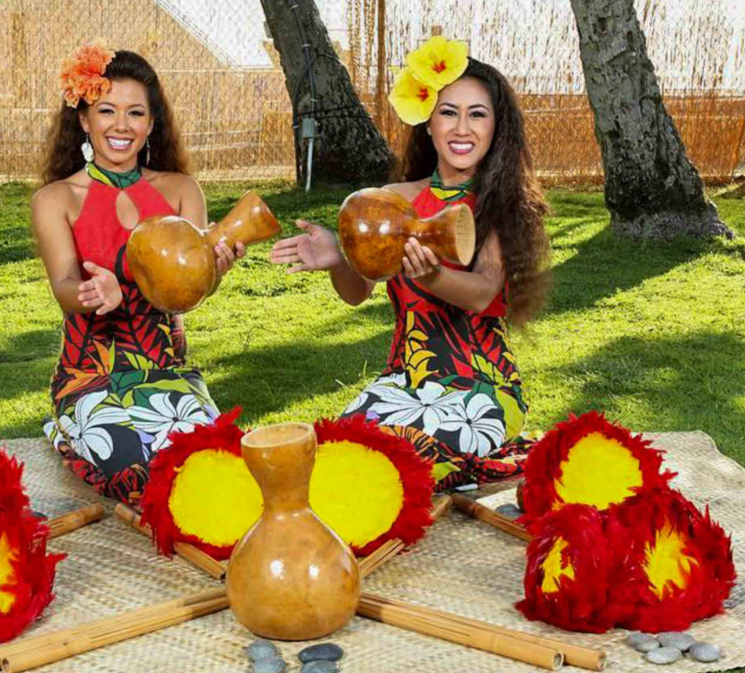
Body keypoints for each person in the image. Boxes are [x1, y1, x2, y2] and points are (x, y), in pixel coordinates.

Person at [271, 37, 550, 489]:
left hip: (481, 387)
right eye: (448, 112)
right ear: (428, 124)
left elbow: (482, 293)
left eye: (477, 114)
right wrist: (337, 260)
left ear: (497, 128)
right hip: (403, 380)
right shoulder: (395, 202)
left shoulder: (500, 205)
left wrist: (435, 276)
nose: (462, 128)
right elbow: (358, 291)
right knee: (334, 460)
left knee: (403, 467)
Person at [33, 42, 243, 503]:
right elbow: (64, 288)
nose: (121, 126)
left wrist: (215, 271)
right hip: (90, 375)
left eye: (136, 113)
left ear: (151, 124)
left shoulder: (182, 190)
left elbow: (187, 293)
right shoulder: (57, 200)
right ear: (84, 119)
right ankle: (69, 427)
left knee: (214, 465)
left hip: (167, 372)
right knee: (135, 467)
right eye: (107, 110)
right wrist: (94, 290)